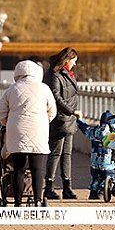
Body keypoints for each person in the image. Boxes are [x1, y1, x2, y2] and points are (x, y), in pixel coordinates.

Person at [0, 60, 57, 207]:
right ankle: (37, 200)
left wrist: (8, 123)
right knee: (37, 169)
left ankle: (17, 203)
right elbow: (52, 111)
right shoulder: (44, 88)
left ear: (17, 73)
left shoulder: (12, 89)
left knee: (18, 169)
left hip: (17, 132)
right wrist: (43, 121)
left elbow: (0, 112)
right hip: (39, 131)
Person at [43, 47, 83, 200]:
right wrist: (71, 111)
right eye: (74, 60)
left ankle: (67, 187)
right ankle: (49, 187)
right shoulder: (54, 74)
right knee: (55, 153)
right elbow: (55, 97)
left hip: (69, 119)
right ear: (67, 60)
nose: (75, 63)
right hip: (60, 119)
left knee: (67, 154)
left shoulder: (67, 73)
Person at [76, 111, 115, 200]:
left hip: (95, 161)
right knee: (108, 177)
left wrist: (79, 120)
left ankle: (93, 193)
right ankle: (103, 191)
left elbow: (85, 129)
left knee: (95, 178)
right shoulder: (113, 133)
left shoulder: (95, 131)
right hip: (107, 162)